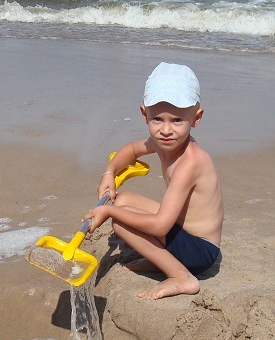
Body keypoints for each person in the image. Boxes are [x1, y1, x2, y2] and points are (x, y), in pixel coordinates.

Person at [83, 62, 224, 300]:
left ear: (196, 118)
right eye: (157, 119)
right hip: (185, 233)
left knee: (120, 222)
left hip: (201, 252)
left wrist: (108, 211)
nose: (166, 130)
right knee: (123, 199)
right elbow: (131, 150)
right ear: (144, 114)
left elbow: (160, 226)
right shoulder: (163, 142)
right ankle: (161, 259)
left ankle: (181, 276)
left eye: (177, 120)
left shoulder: (190, 162)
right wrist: (109, 173)